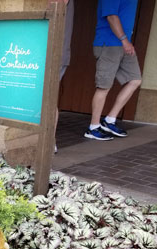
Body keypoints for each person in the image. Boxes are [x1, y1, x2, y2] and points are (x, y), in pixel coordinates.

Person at [85, 0, 142, 141]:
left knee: (135, 79)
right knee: (103, 87)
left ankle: (109, 120)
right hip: (109, 44)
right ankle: (93, 127)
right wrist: (124, 40)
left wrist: (125, 42)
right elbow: (111, 16)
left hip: (123, 45)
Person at [55, 0, 75, 153]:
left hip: (53, 53)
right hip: (54, 53)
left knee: (46, 101)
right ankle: (49, 141)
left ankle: (48, 140)